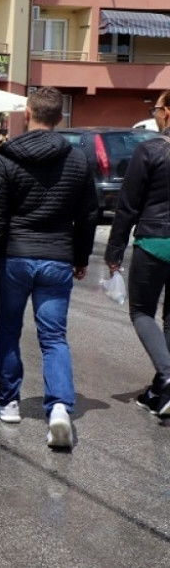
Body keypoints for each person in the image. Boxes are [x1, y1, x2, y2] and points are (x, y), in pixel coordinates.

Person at [0, 86, 98, 450]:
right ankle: (59, 407)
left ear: (28, 113)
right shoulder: (77, 160)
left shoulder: (5, 158)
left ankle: (9, 402)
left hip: (14, 258)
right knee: (54, 337)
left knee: (8, 329)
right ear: (60, 118)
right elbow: (88, 215)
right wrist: (80, 257)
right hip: (57, 258)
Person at [105, 90, 170, 416]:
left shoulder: (150, 150)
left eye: (156, 108)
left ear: (168, 112)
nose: (154, 114)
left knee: (142, 312)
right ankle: (159, 391)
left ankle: (168, 377)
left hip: (156, 240)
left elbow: (127, 207)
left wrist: (114, 251)